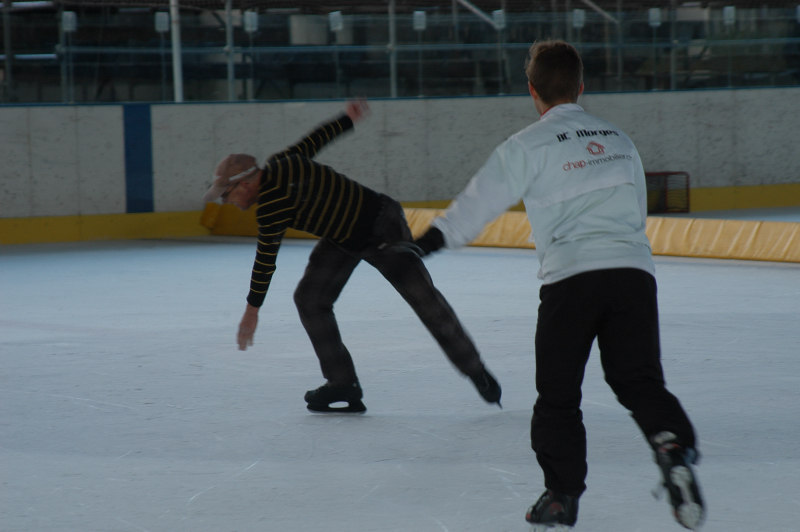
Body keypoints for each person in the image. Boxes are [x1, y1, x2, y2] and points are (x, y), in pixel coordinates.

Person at [414, 41, 704, 530]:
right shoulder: (619, 140)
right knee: (639, 381)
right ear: (580, 87)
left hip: (571, 279)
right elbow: (637, 213)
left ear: (532, 90)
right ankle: (672, 446)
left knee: (558, 395)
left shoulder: (526, 145)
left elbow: (477, 204)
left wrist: (426, 244)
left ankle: (561, 497)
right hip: (633, 274)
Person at [202, 99, 501, 414]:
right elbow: (315, 139)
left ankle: (475, 369)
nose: (226, 201)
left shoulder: (271, 206)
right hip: (343, 238)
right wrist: (346, 119)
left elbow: (265, 260)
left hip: (383, 226)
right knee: (310, 298)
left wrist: (251, 311)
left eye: (227, 194)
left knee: (424, 299)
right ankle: (342, 383)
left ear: (245, 184)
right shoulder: (282, 162)